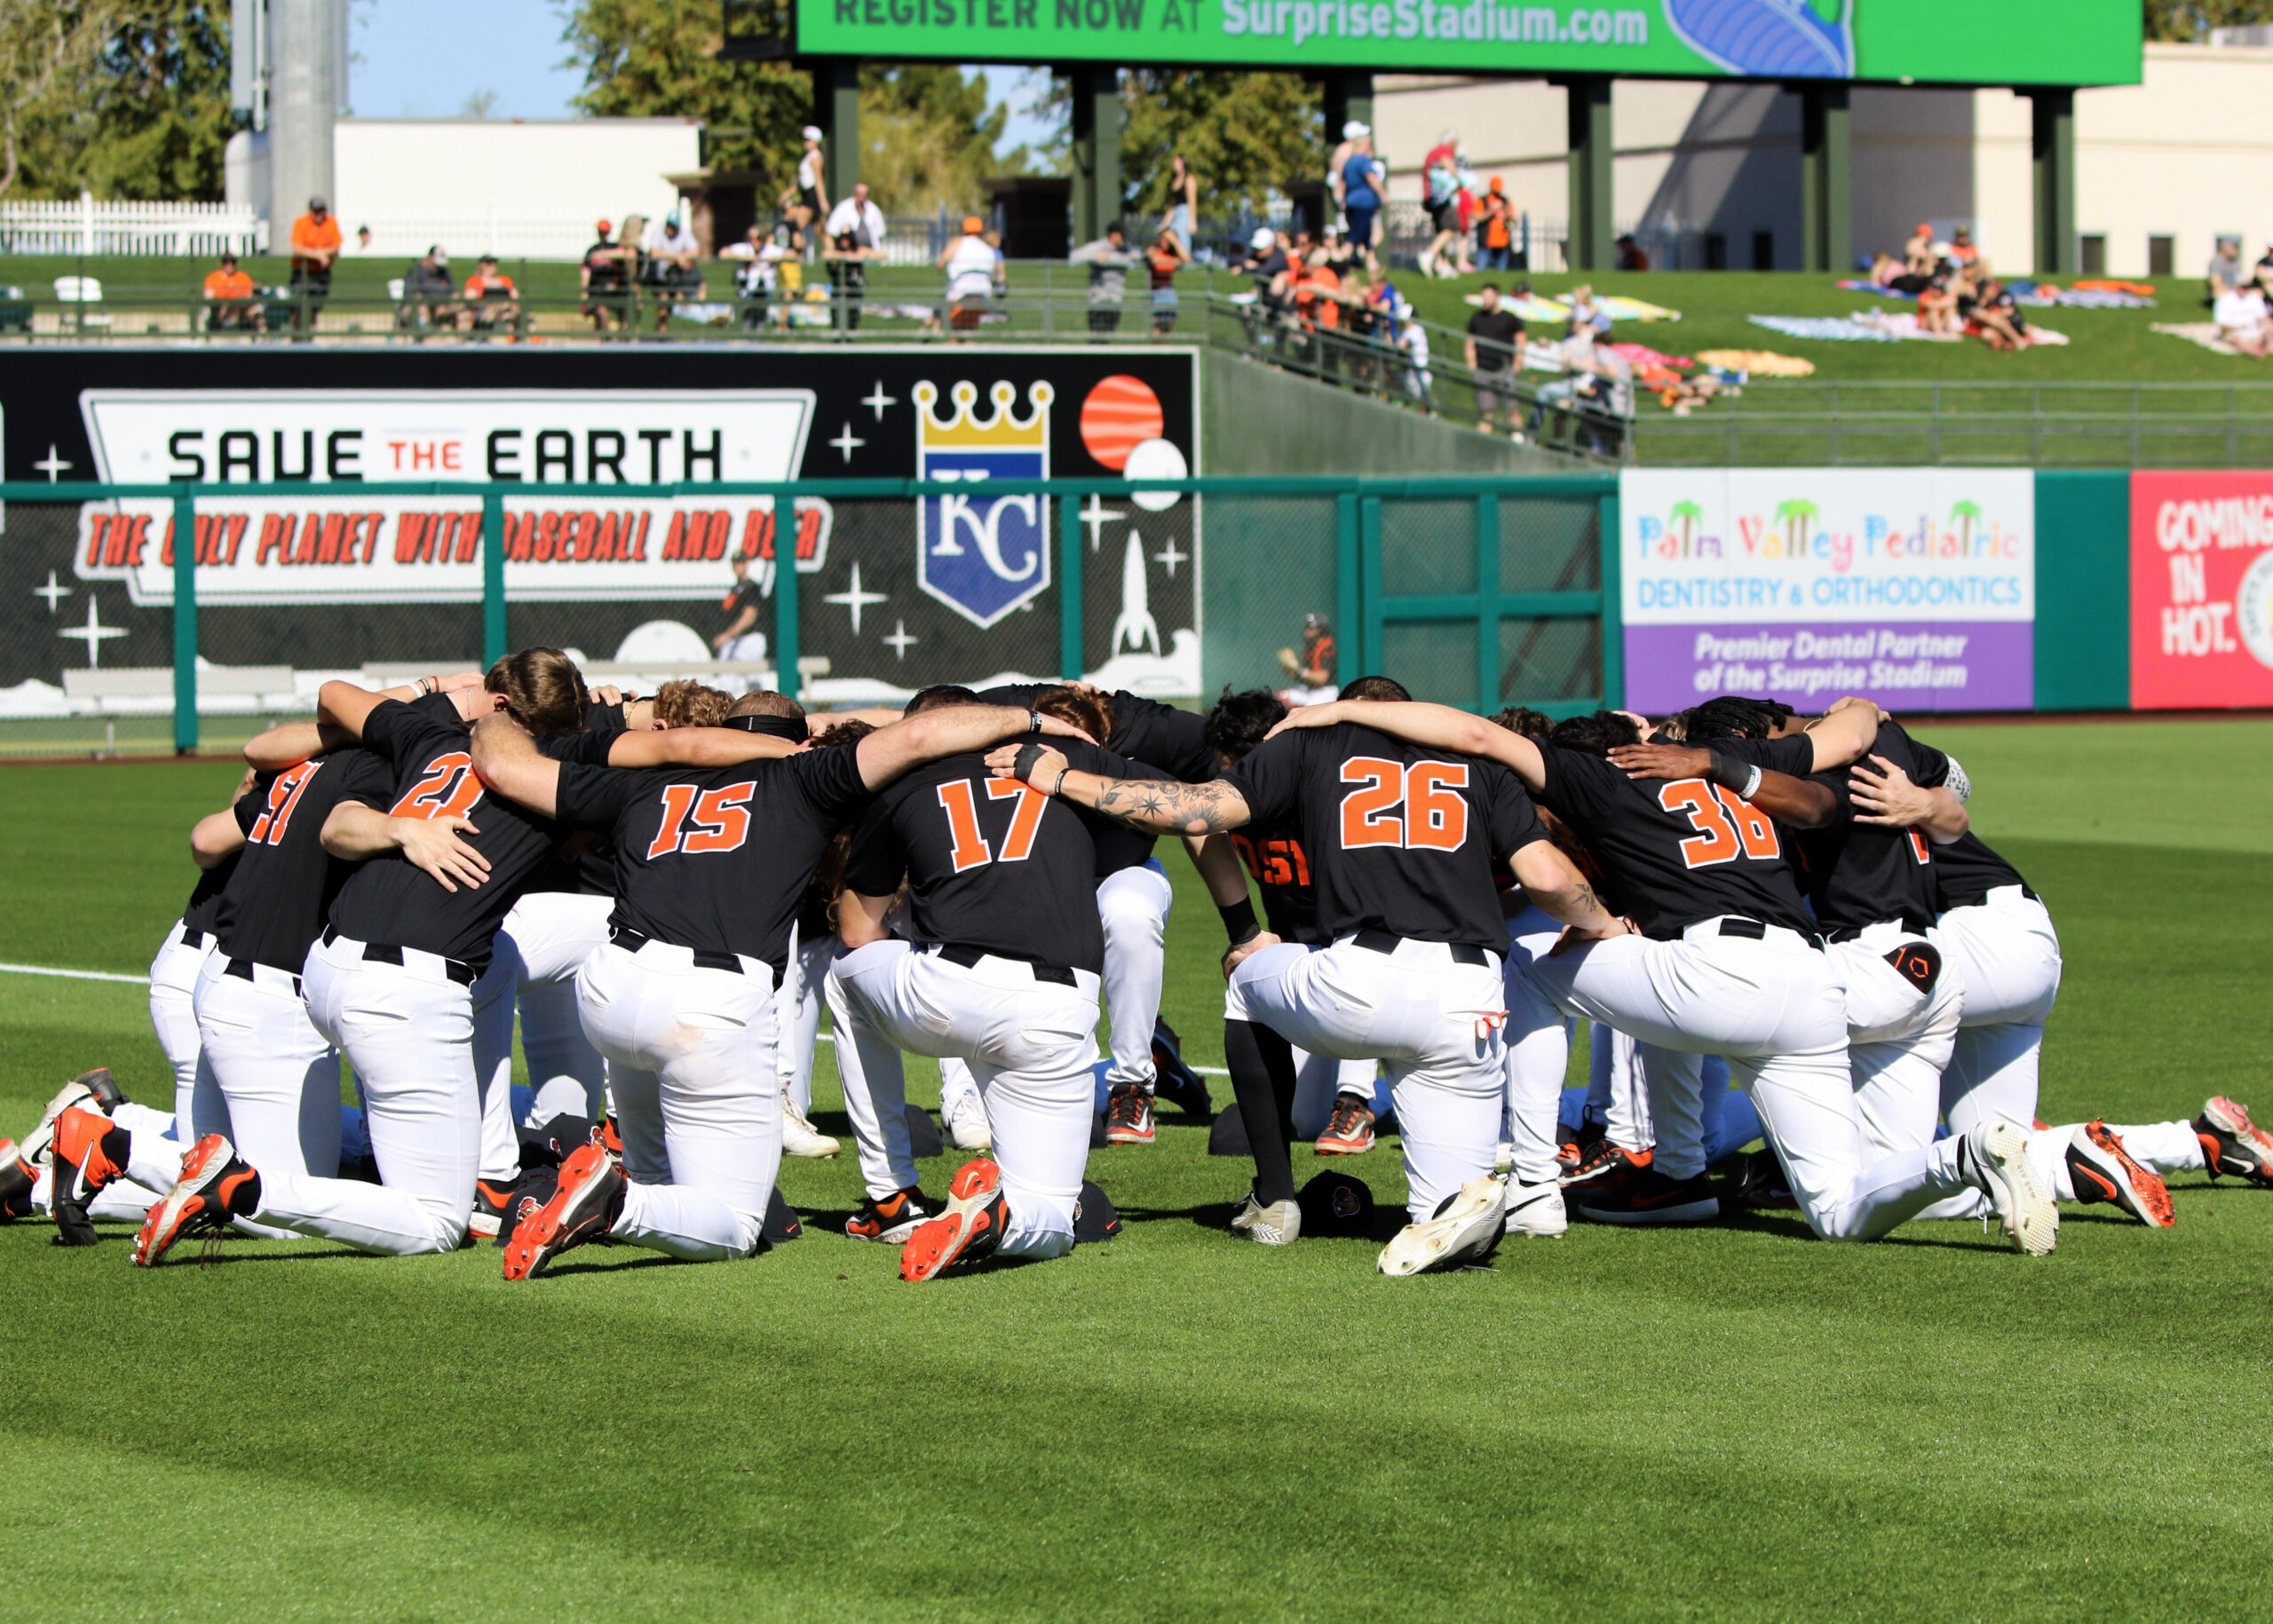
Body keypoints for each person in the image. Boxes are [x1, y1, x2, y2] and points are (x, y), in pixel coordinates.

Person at [985, 681, 1617, 1274]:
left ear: (1346, 708)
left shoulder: (1314, 738)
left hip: (1359, 977)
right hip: (1470, 996)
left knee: (1245, 973)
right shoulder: (1477, 764)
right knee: (1448, 1210)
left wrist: (1062, 776)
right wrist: (1604, 925)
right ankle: (1469, 1203)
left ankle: (1274, 1197)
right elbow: (1550, 880)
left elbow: (1197, 812)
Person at [828, 691, 1149, 1280]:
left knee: (843, 975)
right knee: (1051, 1221)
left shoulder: (905, 783)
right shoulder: (1071, 764)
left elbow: (856, 931)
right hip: (1057, 1006)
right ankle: (1003, 1215)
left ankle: (891, 1195)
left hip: (944, 990)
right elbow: (1180, 812)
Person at [1465, 281, 1526, 434]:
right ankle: (1483, 445)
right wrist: (1472, 366)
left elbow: (1521, 340)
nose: (1485, 300)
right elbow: (1469, 342)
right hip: (1483, 370)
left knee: (1512, 409)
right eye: (1483, 296)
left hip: (1503, 369)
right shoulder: (1477, 318)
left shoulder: (1509, 318)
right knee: (1486, 412)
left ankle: (1520, 438)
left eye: (1488, 296)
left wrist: (1516, 365)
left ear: (1497, 296)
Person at [1070, 219, 1136, 338]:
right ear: (1113, 235)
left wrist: (1109, 258)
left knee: (1108, 340)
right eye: (1122, 235)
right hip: (1098, 302)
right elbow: (1074, 257)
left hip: (1115, 302)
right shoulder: (1097, 247)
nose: (1124, 239)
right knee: (1097, 340)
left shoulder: (1127, 249)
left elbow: (1135, 259)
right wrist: (1095, 257)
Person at [288, 194, 341, 335]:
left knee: (315, 307)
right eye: (316, 211)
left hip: (321, 274)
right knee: (299, 306)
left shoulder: (330, 222)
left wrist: (317, 252)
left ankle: (309, 334)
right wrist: (319, 255)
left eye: (322, 211)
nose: (319, 214)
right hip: (302, 273)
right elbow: (297, 249)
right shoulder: (301, 223)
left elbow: (335, 247)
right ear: (310, 211)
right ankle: (297, 335)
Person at [939, 215, 998, 337]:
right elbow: (994, 274)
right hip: (983, 295)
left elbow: (941, 262)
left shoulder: (958, 243)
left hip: (960, 295)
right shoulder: (988, 249)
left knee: (954, 334)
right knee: (971, 332)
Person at [641, 211, 701, 330]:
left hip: (675, 277)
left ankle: (661, 331)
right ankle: (662, 332)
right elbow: (654, 252)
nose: (669, 228)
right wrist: (675, 257)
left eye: (672, 226)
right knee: (664, 301)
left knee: (670, 306)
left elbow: (695, 251)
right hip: (658, 277)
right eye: (668, 225)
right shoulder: (659, 232)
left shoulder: (684, 234)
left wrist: (681, 257)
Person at [1336, 125, 1384, 272]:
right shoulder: (1363, 161)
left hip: (1351, 202)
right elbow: (1371, 177)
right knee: (1357, 233)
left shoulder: (1348, 162)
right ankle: (1339, 260)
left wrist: (1344, 200)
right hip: (1364, 203)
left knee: (1365, 233)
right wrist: (1382, 193)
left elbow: (1343, 183)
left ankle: (1371, 262)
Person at [714, 551, 771, 661]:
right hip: (736, 639)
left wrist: (727, 635)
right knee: (727, 675)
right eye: (735, 563)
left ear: (747, 563)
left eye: (740, 562)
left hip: (751, 638)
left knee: (747, 675)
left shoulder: (751, 587)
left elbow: (749, 616)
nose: (737, 566)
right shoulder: (735, 589)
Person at [580, 218, 633, 331]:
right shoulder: (592, 250)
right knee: (601, 311)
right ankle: (605, 341)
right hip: (598, 292)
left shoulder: (613, 247)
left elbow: (625, 253)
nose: (603, 234)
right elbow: (585, 273)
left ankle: (623, 341)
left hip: (615, 291)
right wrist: (584, 294)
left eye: (605, 231)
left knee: (626, 313)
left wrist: (602, 254)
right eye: (601, 231)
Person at [1276, 614, 1336, 705]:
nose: (1307, 631)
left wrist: (1300, 671)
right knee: (1280, 697)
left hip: (1325, 692)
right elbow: (1305, 678)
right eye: (1306, 628)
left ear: (1321, 630)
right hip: (1310, 691)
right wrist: (1292, 673)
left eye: (1311, 628)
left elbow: (1322, 678)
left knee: (1306, 713)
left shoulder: (1327, 648)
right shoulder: (1310, 649)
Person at [782, 125, 828, 242]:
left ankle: (795, 254)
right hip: (806, 196)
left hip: (812, 197)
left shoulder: (815, 157)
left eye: (808, 139)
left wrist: (822, 201)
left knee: (796, 229)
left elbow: (818, 179)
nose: (805, 142)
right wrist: (789, 192)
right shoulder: (808, 157)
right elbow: (801, 181)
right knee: (821, 232)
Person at [458, 254, 519, 336]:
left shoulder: (505, 280)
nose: (493, 265)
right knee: (500, 309)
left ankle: (532, 340)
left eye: (495, 263)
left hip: (506, 308)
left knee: (516, 310)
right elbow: (470, 299)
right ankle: (507, 335)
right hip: (486, 310)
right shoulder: (475, 280)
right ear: (482, 265)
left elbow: (516, 297)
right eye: (490, 263)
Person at [201, 252, 262, 333]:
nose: (229, 265)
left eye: (232, 262)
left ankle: (264, 337)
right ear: (221, 263)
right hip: (220, 308)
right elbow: (208, 296)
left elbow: (249, 295)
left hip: (239, 308)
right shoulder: (213, 278)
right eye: (226, 262)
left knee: (255, 310)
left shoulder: (243, 277)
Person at [1144, 226, 1189, 335]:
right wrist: (1175, 261)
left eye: (1167, 239)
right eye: (1163, 238)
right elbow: (1155, 260)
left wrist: (1175, 241)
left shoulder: (1171, 254)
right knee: (1156, 331)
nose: (1164, 241)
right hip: (1156, 293)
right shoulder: (1154, 250)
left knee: (1166, 331)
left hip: (1168, 294)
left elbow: (1186, 260)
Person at [402, 245, 456, 331]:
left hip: (441, 306)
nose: (438, 268)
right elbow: (412, 295)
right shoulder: (416, 271)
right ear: (429, 258)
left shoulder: (444, 272)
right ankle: (424, 337)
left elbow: (454, 293)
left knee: (456, 310)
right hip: (418, 307)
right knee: (422, 309)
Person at [2213, 280, 2272, 357]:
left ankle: (2261, 347)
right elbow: (2223, 325)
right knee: (2237, 339)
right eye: (2242, 287)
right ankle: (2254, 351)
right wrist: (2240, 327)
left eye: (2246, 288)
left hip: (2253, 328)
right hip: (2234, 330)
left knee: (2269, 330)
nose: (2244, 290)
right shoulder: (2224, 300)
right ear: (2236, 287)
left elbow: (2264, 316)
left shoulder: (2254, 298)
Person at [1160, 153, 1198, 256]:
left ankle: (1186, 261)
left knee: (1182, 238)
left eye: (1177, 162)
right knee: (1169, 236)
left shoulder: (1189, 179)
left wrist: (1192, 221)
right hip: (1176, 213)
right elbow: (1173, 204)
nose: (1174, 164)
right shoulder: (1173, 181)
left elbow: (1192, 201)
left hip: (1185, 213)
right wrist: (1166, 221)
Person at [1476, 180, 1515, 272]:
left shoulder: (1505, 200)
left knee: (1501, 272)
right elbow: (1477, 218)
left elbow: (1513, 218)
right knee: (1480, 271)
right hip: (1486, 242)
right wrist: (1492, 211)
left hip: (1503, 242)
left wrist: (1506, 211)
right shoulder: (1483, 200)